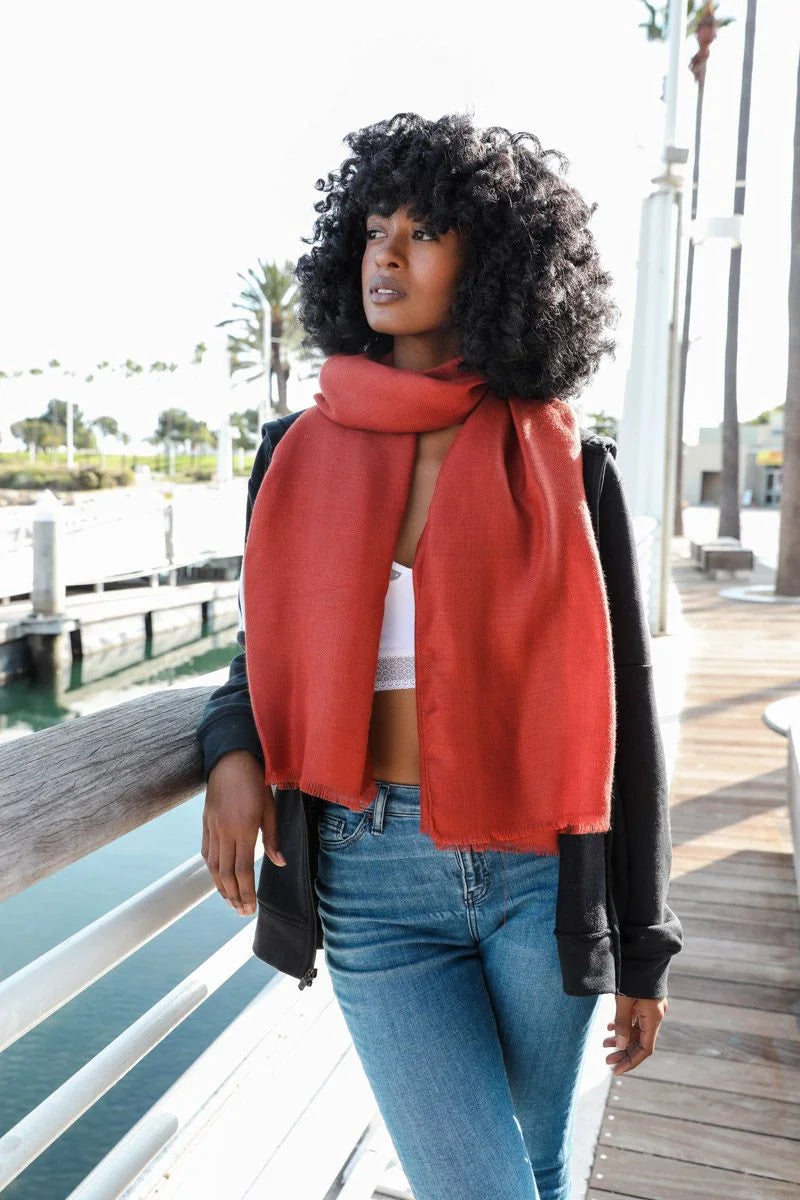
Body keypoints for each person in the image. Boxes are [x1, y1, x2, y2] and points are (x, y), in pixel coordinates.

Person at [197, 111, 683, 1200]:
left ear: (491, 263)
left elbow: (628, 711)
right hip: (370, 874)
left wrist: (643, 945)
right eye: (375, 227)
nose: (387, 253)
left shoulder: (567, 465)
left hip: (537, 869)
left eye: (424, 232)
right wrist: (231, 753)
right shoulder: (292, 454)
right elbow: (261, 656)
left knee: (538, 1161)